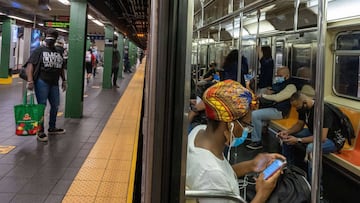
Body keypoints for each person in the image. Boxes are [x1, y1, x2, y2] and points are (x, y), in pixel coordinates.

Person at [186, 79, 286, 203]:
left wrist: (251, 165)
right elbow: (216, 176)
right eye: (246, 125)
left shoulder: (199, 132)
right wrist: (263, 193)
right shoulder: (210, 173)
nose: (246, 130)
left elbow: (224, 175)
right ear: (229, 124)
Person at [277, 92, 339, 180]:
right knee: (287, 137)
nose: (296, 110)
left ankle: (314, 186)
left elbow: (322, 137)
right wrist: (287, 132)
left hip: (332, 139)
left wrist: (298, 140)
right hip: (314, 133)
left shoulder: (323, 110)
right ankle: (290, 168)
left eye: (297, 107)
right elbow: (299, 124)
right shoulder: (303, 108)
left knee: (311, 148)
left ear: (305, 102)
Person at [26, 28, 67, 142]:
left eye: (53, 36)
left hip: (54, 82)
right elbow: (30, 65)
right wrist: (30, 81)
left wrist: (64, 80)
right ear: (45, 37)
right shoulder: (39, 50)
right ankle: (40, 130)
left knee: (55, 105)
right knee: (41, 106)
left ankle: (52, 127)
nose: (50, 38)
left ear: (56, 38)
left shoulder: (59, 51)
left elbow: (61, 67)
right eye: (49, 36)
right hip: (41, 81)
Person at [246, 67, 297, 150]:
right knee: (256, 110)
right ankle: (256, 134)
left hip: (280, 112)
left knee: (255, 114)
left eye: (280, 75)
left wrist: (264, 95)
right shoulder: (280, 85)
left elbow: (278, 98)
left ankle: (256, 141)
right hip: (275, 108)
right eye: (277, 75)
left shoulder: (291, 87)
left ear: (287, 76)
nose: (278, 77)